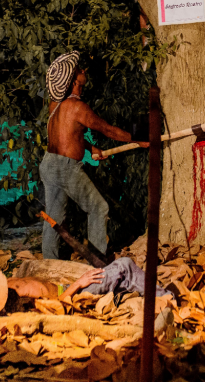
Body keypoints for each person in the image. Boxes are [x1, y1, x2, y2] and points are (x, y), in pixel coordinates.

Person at [40, 51, 149, 261]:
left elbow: (66, 136)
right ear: (73, 80)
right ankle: (98, 262)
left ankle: (49, 262)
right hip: (65, 167)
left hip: (49, 164)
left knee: (54, 219)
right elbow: (108, 130)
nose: (83, 72)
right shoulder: (77, 107)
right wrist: (136, 140)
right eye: (79, 71)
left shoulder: (56, 106)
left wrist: (91, 149)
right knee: (99, 207)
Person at [10, 257, 172, 300]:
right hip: (74, 294)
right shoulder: (13, 295)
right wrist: (78, 283)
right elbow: (54, 307)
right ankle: (167, 297)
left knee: (124, 278)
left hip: (67, 287)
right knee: (124, 265)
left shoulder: (4, 282)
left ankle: (157, 296)